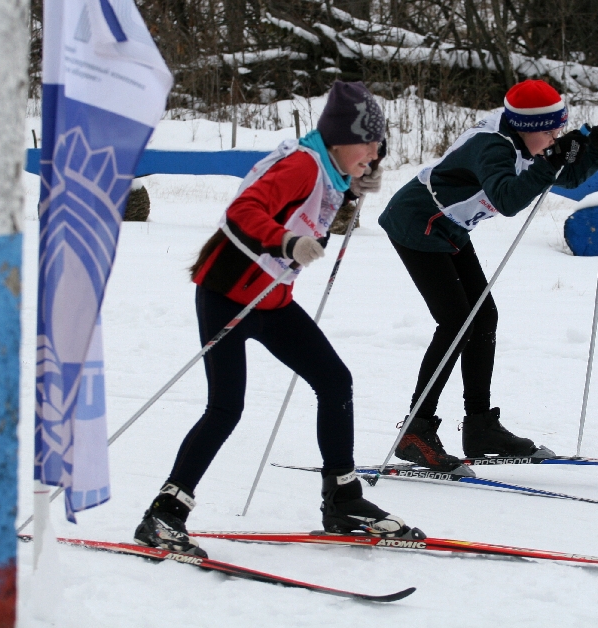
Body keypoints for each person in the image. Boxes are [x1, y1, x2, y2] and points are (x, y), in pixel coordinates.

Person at [134, 81, 413, 557]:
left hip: (272, 301)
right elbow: (243, 210)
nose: (374, 153)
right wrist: (286, 243)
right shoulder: (302, 164)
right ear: (339, 138)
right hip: (227, 296)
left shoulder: (328, 168)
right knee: (226, 408)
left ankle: (343, 499)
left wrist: (351, 191)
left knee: (334, 381)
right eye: (367, 143)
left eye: (378, 144)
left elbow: (314, 210)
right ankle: (164, 513)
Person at [378, 79, 598, 470]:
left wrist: (596, 144)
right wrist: (550, 162)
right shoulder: (491, 146)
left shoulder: (528, 139)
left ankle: (479, 427)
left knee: (483, 318)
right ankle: (415, 430)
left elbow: (568, 176)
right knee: (456, 322)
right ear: (526, 128)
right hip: (416, 222)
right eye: (550, 131)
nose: (555, 137)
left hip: (449, 227)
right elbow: (507, 198)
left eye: (559, 129)